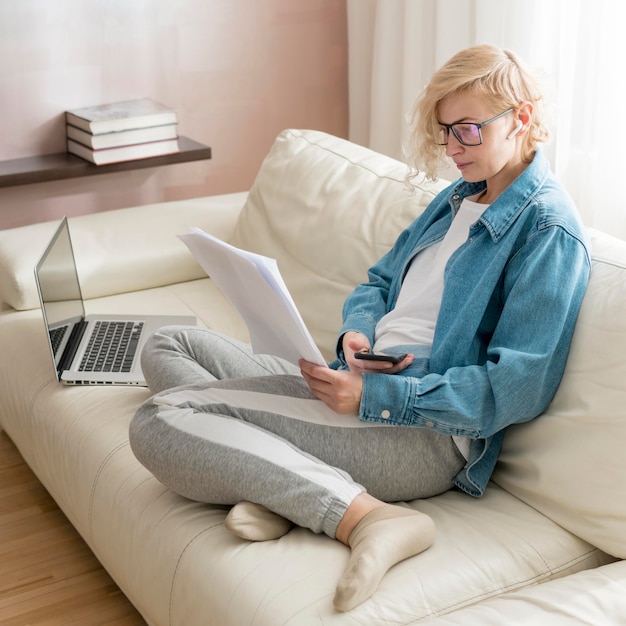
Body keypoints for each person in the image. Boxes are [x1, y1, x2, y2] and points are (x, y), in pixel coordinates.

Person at [129, 44, 590, 612]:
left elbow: (516, 389)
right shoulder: (456, 199)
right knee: (169, 344)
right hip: (361, 383)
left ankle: (368, 518)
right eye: (445, 131)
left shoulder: (548, 231)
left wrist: (378, 394)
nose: (452, 149)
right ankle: (288, 481)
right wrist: (359, 335)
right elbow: (378, 283)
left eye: (467, 131)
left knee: (163, 416)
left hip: (423, 435)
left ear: (520, 119)